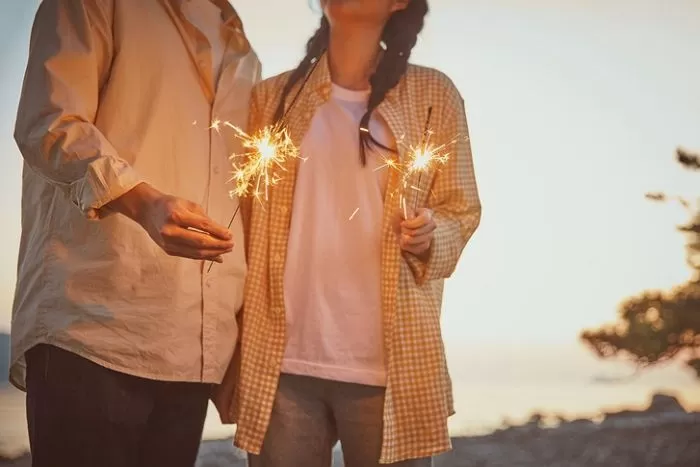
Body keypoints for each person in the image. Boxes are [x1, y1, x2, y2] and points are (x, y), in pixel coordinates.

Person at [213, 0, 482, 465]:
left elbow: (461, 208)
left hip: (391, 367)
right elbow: (248, 224)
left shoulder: (432, 94)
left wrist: (430, 235)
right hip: (281, 363)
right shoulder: (272, 98)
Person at [11, 1, 260, 466]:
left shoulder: (244, 53)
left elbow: (243, 190)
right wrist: (143, 203)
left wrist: (238, 330)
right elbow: (48, 122)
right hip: (93, 325)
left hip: (193, 350)